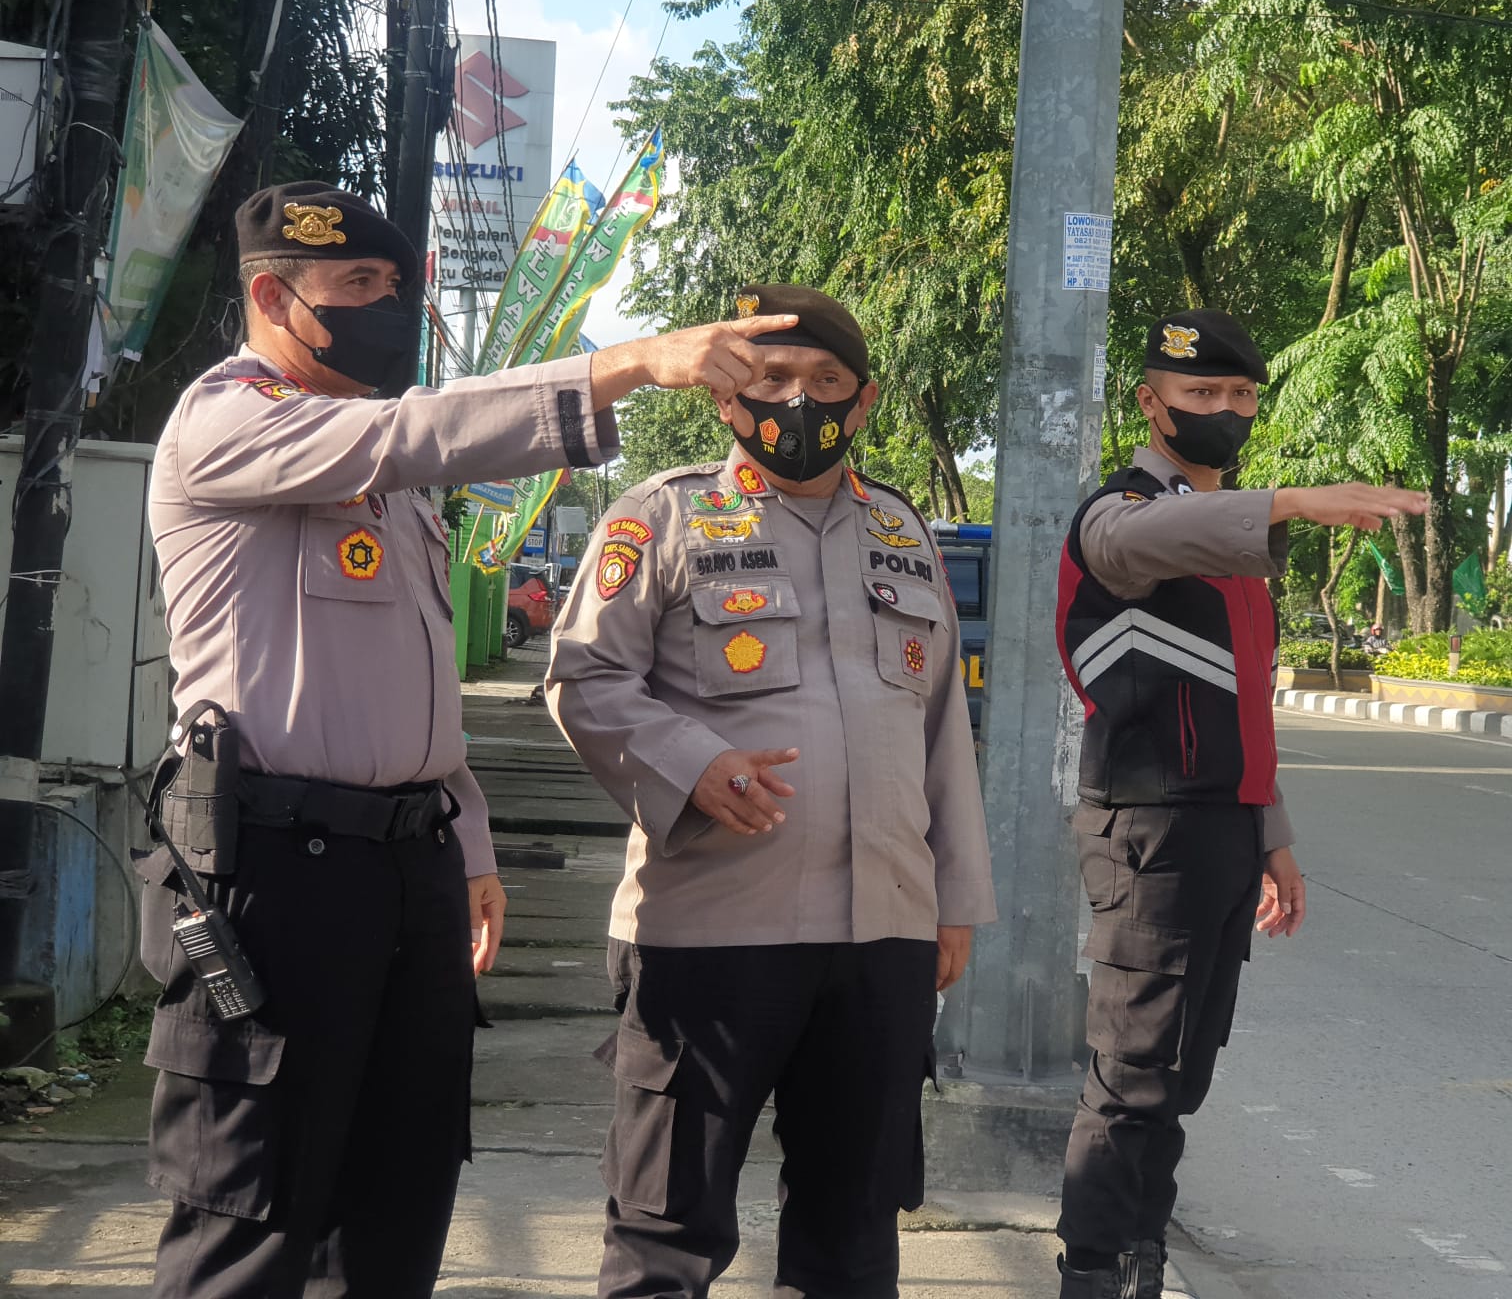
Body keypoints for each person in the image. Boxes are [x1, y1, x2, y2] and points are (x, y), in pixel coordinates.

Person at [140, 181, 800, 1299]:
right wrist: (627, 363)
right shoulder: (227, 423)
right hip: (273, 882)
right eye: (356, 285)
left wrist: (472, 845)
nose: (384, 306)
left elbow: (416, 697)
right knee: (249, 1217)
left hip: (408, 873)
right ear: (270, 296)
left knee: (398, 1203)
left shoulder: (387, 492)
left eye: (396, 287)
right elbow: (414, 432)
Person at [545, 284, 996, 1299]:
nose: (800, 400)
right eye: (773, 377)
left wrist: (952, 903)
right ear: (725, 395)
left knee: (853, 1233)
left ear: (865, 401)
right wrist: (690, 764)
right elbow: (584, 678)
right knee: (667, 1235)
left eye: (826, 382)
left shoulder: (903, 532)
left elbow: (942, 737)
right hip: (710, 933)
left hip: (881, 938)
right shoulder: (658, 516)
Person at [1052, 309, 1429, 1299]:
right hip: (1147, 826)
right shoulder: (1119, 514)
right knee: (1132, 1074)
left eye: (1241, 396)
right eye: (1201, 394)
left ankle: (1141, 1259)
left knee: (1179, 1074)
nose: (1225, 410)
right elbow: (1143, 537)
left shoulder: (1235, 545)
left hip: (1221, 824)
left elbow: (1243, 708)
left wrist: (1275, 838)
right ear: (1151, 402)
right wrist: (1291, 500)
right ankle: (1092, 1271)